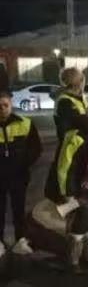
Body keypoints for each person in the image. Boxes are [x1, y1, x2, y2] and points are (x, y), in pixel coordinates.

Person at [47, 101, 88, 268]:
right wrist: (68, 192)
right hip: (77, 188)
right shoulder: (80, 136)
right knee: (82, 219)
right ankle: (73, 260)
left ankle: (87, 257)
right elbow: (65, 166)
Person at [0, 91, 42, 257]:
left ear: (11, 105)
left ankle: (21, 240)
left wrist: (23, 164)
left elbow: (36, 148)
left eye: (5, 105)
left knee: (19, 209)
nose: (2, 109)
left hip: (18, 176)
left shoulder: (25, 123)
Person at [54, 67, 88, 141]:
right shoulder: (64, 101)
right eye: (82, 79)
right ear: (77, 82)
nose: (84, 82)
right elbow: (79, 123)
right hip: (74, 143)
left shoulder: (81, 97)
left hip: (83, 140)